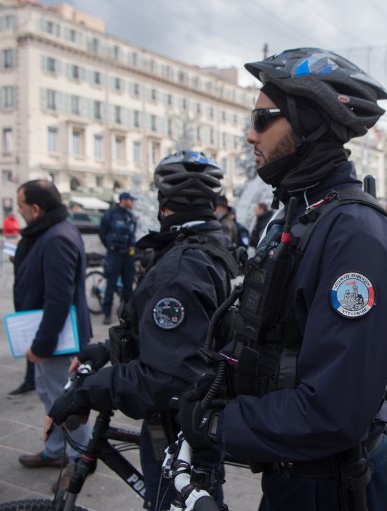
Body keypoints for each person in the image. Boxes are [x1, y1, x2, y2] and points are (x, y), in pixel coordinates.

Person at [176, 48, 387, 510]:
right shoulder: (300, 213)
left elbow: (333, 410)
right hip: (290, 469)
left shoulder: (355, 235)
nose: (250, 134)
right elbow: (272, 333)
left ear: (308, 123)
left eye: (263, 119)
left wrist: (220, 425)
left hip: (328, 483)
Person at [47, 152, 238, 507]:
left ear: (163, 205)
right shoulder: (212, 247)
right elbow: (174, 334)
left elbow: (167, 376)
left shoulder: (179, 268)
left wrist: (88, 391)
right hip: (200, 421)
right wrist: (104, 350)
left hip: (177, 433)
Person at [13, 180, 92, 490]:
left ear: (36, 209)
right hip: (52, 338)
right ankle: (55, 450)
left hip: (58, 341)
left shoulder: (57, 237)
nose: (17, 212)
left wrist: (42, 345)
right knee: (51, 397)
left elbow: (59, 299)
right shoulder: (49, 232)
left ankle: (79, 460)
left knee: (66, 401)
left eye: (19, 206)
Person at [99, 192, 137, 325]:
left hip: (128, 256)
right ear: (124, 200)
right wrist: (111, 247)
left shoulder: (130, 216)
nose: (133, 203)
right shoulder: (110, 215)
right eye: (131, 200)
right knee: (111, 285)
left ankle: (128, 315)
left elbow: (132, 234)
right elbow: (102, 234)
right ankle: (107, 314)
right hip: (114, 255)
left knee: (128, 287)